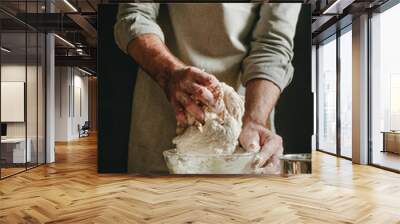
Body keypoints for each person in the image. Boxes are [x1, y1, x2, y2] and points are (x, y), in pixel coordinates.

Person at [114, 3, 301, 174]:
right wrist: (169, 74)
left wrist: (255, 120)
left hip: (244, 127)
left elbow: (273, 45)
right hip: (163, 119)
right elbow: (135, 16)